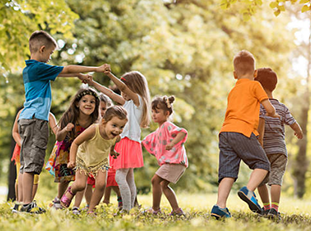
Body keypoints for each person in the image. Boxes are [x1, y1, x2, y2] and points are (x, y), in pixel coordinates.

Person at [18, 30, 109, 213]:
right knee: (32, 165)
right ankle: (26, 204)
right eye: (50, 53)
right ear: (42, 49)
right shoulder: (38, 67)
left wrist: (78, 76)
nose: (50, 58)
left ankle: (23, 202)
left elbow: (64, 73)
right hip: (36, 120)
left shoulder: (30, 69)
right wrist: (96, 69)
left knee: (27, 164)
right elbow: (66, 69)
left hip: (28, 119)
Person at [210, 50, 280, 219]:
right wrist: (274, 114)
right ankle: (249, 190)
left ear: (235, 74)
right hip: (243, 131)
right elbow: (268, 107)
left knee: (227, 172)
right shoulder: (255, 85)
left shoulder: (233, 90)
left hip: (225, 132)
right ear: (255, 73)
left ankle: (220, 206)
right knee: (263, 164)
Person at [87, 68, 150, 213]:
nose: (122, 92)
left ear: (133, 88)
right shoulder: (127, 103)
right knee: (128, 179)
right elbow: (109, 93)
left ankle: (126, 209)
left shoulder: (139, 101)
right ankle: (131, 208)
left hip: (128, 142)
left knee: (119, 176)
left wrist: (109, 74)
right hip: (125, 142)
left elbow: (122, 87)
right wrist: (93, 83)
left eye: (125, 89)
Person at [60, 106, 128, 214]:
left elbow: (112, 143)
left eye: (121, 127)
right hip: (84, 158)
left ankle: (91, 210)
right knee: (81, 185)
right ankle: (70, 190)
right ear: (104, 122)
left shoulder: (116, 137)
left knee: (101, 184)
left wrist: (112, 151)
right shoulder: (93, 130)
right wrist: (72, 160)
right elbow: (75, 143)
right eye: (114, 125)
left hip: (101, 161)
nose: (117, 130)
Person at [255, 68, 303, 219]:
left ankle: (266, 208)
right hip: (279, 151)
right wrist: (299, 131)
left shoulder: (258, 106)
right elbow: (293, 123)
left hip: (262, 150)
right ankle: (274, 210)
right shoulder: (281, 107)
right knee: (276, 179)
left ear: (259, 87)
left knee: (260, 181)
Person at [46, 88, 100, 215]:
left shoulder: (95, 120)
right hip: (66, 149)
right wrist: (65, 129)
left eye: (92, 102)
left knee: (82, 178)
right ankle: (58, 199)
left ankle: (76, 206)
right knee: (65, 178)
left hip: (83, 151)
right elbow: (58, 137)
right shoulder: (70, 116)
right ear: (77, 103)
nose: (88, 104)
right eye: (85, 101)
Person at [142, 95, 188, 216]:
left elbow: (182, 132)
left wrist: (172, 143)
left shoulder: (168, 125)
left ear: (167, 113)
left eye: (157, 112)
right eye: (152, 112)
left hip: (175, 161)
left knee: (155, 181)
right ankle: (177, 210)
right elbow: (147, 140)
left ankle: (155, 209)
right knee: (163, 185)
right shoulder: (159, 130)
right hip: (174, 162)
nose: (154, 114)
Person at [11, 109, 58, 213]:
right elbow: (15, 132)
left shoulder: (48, 115)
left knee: (34, 177)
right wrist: (23, 145)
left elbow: (57, 131)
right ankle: (19, 202)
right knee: (20, 177)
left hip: (36, 151)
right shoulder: (22, 112)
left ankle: (28, 203)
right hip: (21, 151)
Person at [84, 93, 122, 210]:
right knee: (88, 182)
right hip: (90, 158)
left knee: (111, 180)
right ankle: (90, 204)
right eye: (99, 108)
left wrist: (113, 150)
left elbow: (114, 139)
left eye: (104, 109)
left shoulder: (111, 125)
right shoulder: (91, 123)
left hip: (104, 158)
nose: (101, 111)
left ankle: (121, 198)